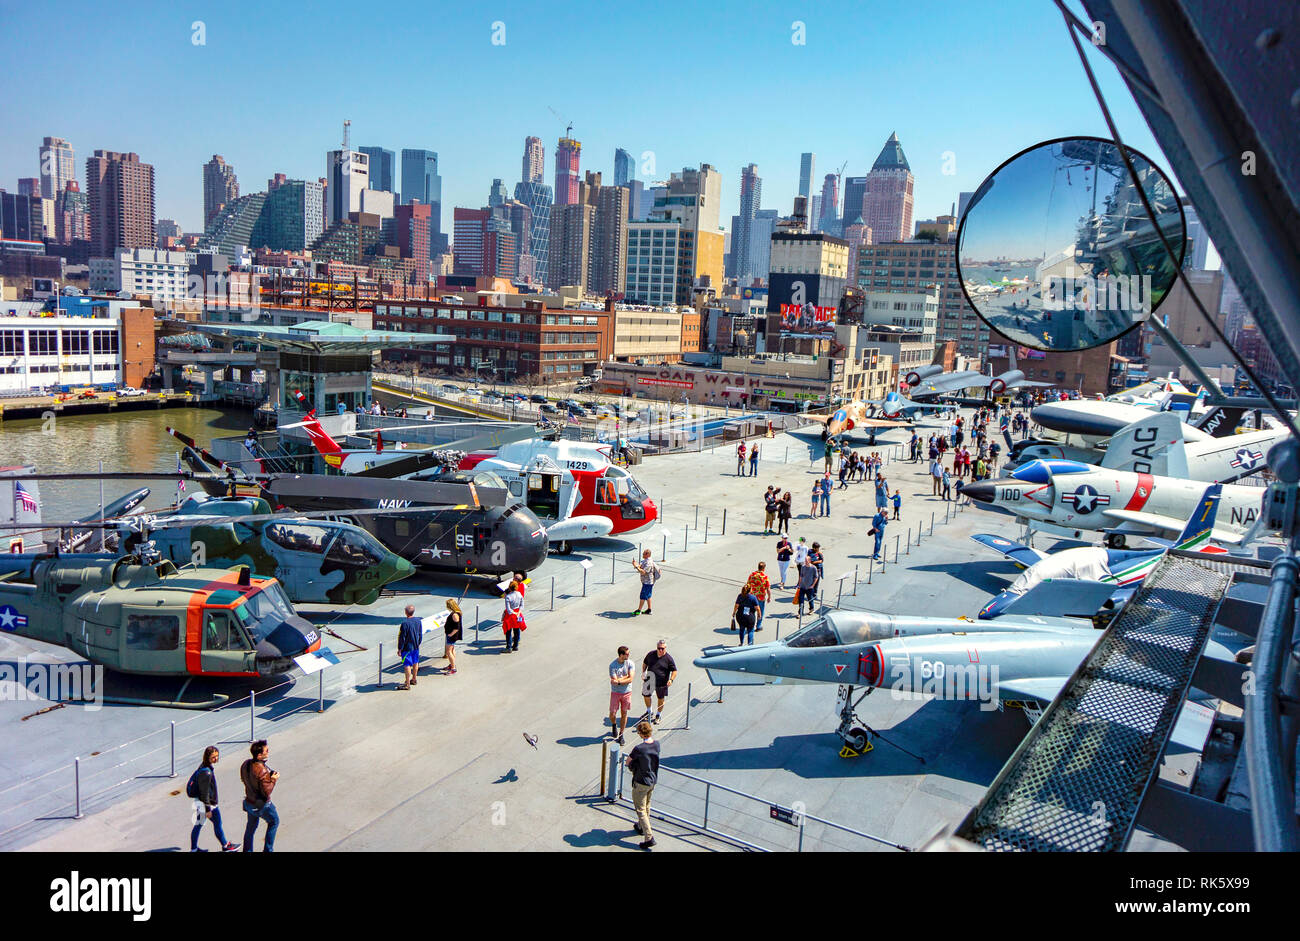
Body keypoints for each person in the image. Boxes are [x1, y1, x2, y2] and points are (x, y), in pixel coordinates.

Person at [188, 746, 238, 852]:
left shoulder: (203, 767)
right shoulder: (206, 772)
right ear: (207, 757)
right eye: (213, 757)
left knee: (199, 825)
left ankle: (194, 849)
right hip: (208, 804)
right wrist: (208, 810)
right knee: (217, 824)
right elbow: (204, 793)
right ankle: (226, 846)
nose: (216, 759)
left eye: (217, 756)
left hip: (201, 803)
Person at [626, 720, 660, 850]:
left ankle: (649, 837)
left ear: (640, 733)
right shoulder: (657, 745)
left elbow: (628, 761)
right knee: (647, 805)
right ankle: (641, 826)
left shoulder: (639, 749)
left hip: (641, 782)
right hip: (652, 780)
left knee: (640, 809)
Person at [240, 740, 279, 853]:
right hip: (262, 804)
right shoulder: (261, 770)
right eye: (266, 751)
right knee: (274, 821)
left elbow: (244, 779)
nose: (268, 752)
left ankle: (247, 850)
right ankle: (268, 849)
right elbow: (267, 791)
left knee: (250, 828)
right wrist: (273, 779)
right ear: (259, 755)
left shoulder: (246, 764)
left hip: (249, 802)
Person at [641, 640, 677, 724]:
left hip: (662, 682)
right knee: (646, 695)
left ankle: (658, 714)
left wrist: (671, 680)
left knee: (660, 698)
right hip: (650, 678)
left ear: (665, 648)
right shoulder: (651, 654)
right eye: (659, 648)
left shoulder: (669, 659)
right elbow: (645, 663)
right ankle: (649, 711)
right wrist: (643, 672)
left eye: (662, 648)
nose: (660, 650)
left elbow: (674, 671)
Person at [609, 646, 635, 745]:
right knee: (612, 714)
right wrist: (625, 678)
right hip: (615, 693)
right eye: (626, 654)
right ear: (621, 655)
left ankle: (621, 734)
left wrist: (619, 680)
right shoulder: (612, 665)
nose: (628, 655)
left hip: (627, 692)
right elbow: (614, 681)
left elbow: (630, 679)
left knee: (624, 713)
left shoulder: (630, 663)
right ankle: (614, 724)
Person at [396, 604, 422, 689]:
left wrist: (400, 648)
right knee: (415, 662)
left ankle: (407, 684)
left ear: (406, 612)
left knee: (407, 664)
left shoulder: (404, 623)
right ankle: (414, 679)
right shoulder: (418, 621)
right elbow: (420, 634)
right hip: (415, 646)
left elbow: (402, 637)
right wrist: (418, 643)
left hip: (407, 648)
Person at [634, 549, 661, 615]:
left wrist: (637, 567)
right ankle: (649, 610)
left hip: (647, 583)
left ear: (647, 554)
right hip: (648, 582)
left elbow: (643, 572)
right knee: (648, 596)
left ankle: (639, 610)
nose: (642, 555)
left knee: (643, 596)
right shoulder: (646, 561)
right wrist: (636, 565)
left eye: (644, 554)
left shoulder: (648, 563)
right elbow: (641, 567)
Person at [746, 561, 771, 630]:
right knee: (760, 612)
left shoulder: (752, 575)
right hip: (761, 598)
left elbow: (747, 585)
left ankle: (750, 624)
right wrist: (769, 597)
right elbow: (768, 588)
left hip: (752, 597)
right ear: (764, 568)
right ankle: (758, 626)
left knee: (751, 612)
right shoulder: (765, 577)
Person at [502, 579, 525, 652]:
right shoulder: (519, 594)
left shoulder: (508, 597)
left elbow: (508, 609)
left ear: (509, 587)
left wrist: (513, 613)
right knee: (517, 629)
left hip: (510, 615)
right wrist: (518, 612)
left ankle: (508, 647)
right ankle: (515, 646)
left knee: (508, 631)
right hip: (518, 613)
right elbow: (522, 605)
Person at [443, 599, 462, 675]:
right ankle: (452, 664)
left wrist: (451, 634)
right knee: (452, 649)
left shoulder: (454, 615)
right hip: (452, 635)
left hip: (451, 635)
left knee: (448, 651)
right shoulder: (457, 612)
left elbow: (456, 627)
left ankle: (453, 668)